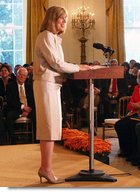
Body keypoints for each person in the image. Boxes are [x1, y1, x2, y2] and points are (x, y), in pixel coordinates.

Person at [33, 6, 93, 184]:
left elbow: (59, 63)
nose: (64, 22)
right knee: (48, 128)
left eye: (66, 19)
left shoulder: (54, 39)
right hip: (46, 84)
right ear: (52, 18)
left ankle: (46, 168)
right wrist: (80, 67)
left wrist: (79, 67)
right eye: (62, 19)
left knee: (51, 127)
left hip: (52, 85)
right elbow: (57, 63)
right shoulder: (45, 36)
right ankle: (46, 169)